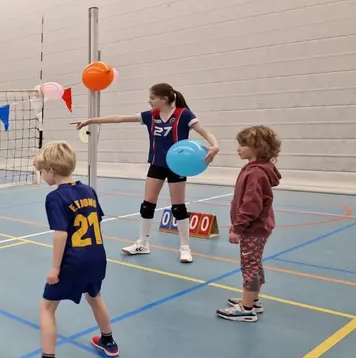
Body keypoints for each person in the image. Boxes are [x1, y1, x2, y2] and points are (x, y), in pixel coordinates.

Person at [72, 82, 220, 263]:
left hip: (177, 166)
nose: (149, 101)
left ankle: (184, 247)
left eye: (152, 98)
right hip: (157, 164)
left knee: (178, 207)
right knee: (147, 205)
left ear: (164, 99)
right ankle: (143, 243)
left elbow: (206, 133)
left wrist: (215, 146)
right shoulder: (150, 116)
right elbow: (119, 118)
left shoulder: (184, 115)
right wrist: (91, 121)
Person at [17, 141, 118, 358]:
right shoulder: (88, 190)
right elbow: (97, 220)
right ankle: (108, 341)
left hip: (73, 260)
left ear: (51, 170)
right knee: (94, 297)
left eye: (42, 171)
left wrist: (55, 267)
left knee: (47, 306)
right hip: (97, 256)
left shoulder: (55, 197)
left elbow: (61, 234)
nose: (42, 176)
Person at [217, 126, 281, 322]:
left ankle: (246, 308)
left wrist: (238, 228)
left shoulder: (255, 173)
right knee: (254, 262)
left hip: (254, 228)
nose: (238, 148)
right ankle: (253, 299)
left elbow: (251, 205)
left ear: (257, 148)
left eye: (243, 145)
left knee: (249, 265)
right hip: (256, 227)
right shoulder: (256, 170)